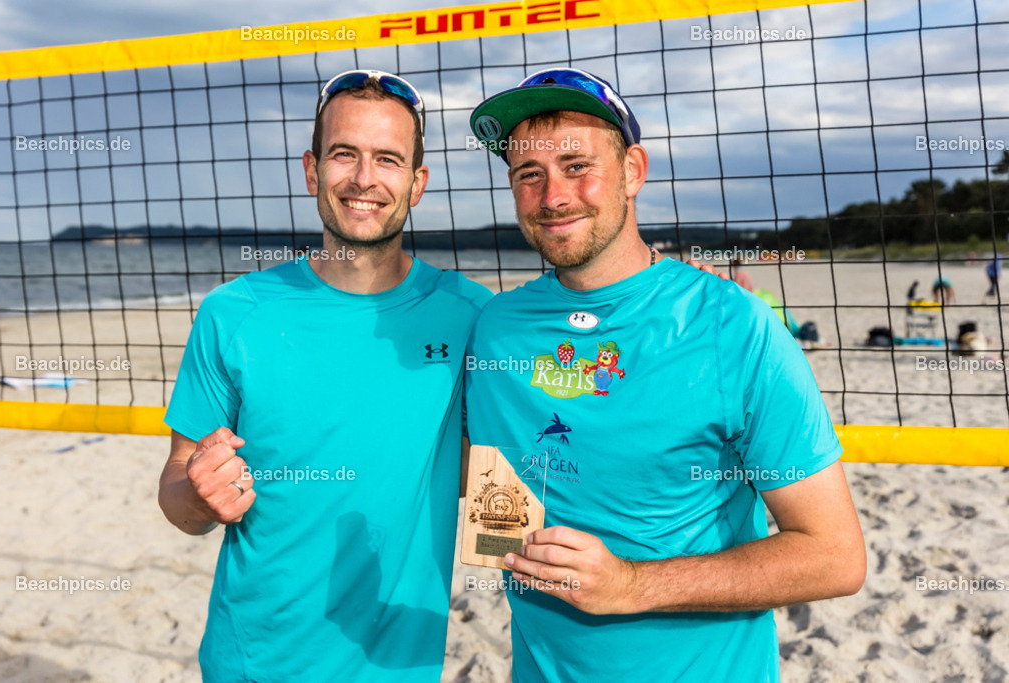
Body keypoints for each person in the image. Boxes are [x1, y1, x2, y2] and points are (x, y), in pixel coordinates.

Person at [464, 68, 866, 681]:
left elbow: (834, 556)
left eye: (576, 165)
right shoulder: (496, 327)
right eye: (529, 174)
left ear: (632, 171)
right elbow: (487, 504)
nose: (552, 196)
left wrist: (630, 584)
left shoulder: (735, 328)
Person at [156, 70, 493, 682]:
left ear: (417, 184)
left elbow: (529, 438)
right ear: (312, 170)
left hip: (399, 665)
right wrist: (198, 494)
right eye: (345, 154)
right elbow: (178, 495)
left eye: (388, 159)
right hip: (251, 663)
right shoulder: (233, 314)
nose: (365, 179)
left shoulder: (473, 317)